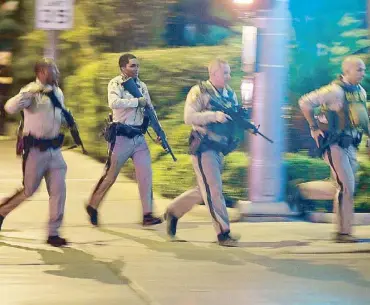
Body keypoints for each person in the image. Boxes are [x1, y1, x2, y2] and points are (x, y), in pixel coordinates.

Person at [165, 58, 241, 247]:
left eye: (229, 72)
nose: (229, 76)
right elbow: (188, 117)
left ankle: (173, 211)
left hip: (220, 147)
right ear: (213, 74)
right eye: (225, 72)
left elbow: (234, 119)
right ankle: (223, 232)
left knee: (205, 189)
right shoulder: (199, 91)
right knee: (214, 190)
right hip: (203, 146)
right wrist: (214, 116)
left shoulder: (230, 94)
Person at [85, 53, 162, 227]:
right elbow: (113, 102)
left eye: (137, 66)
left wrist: (158, 131)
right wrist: (136, 102)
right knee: (110, 176)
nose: (136, 69)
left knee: (145, 175)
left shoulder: (142, 86)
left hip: (139, 137)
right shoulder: (115, 83)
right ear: (122, 68)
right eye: (132, 66)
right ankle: (93, 205)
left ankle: (147, 214)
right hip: (120, 137)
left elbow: (150, 109)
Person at [299, 56, 368, 243]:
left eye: (363, 69)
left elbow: (361, 118)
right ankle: (343, 233)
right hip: (334, 145)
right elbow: (305, 102)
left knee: (345, 185)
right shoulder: (334, 90)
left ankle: (306, 191)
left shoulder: (360, 91)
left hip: (351, 145)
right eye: (359, 69)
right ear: (347, 71)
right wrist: (313, 127)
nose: (363, 73)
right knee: (346, 185)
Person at [0, 58, 68, 247]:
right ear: (41, 73)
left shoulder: (58, 92)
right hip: (36, 151)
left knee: (59, 191)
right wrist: (27, 95)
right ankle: (2, 212)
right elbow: (10, 108)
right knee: (29, 190)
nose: (57, 72)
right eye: (52, 69)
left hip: (55, 151)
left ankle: (53, 233)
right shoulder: (30, 91)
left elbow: (57, 115)